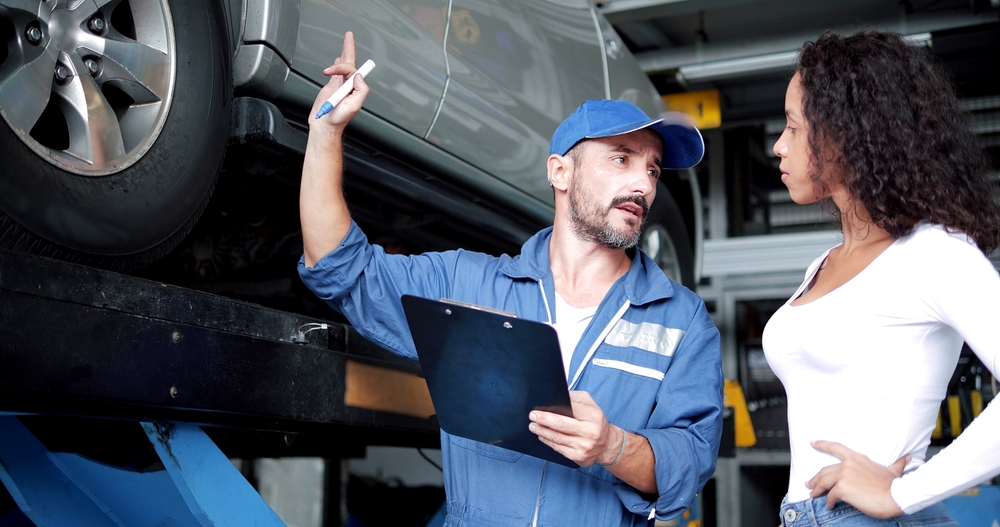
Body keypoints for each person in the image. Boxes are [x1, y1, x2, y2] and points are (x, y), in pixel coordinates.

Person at [297, 32, 723, 526]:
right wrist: (324, 134)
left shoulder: (681, 320)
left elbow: (690, 461)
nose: (643, 184)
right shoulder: (467, 285)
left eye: (653, 170)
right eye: (621, 158)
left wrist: (613, 446)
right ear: (560, 173)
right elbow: (342, 268)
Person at [763, 30, 1000, 527]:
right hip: (805, 514)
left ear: (845, 134)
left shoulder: (934, 253)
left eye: (793, 127)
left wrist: (904, 493)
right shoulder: (822, 264)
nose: (779, 146)